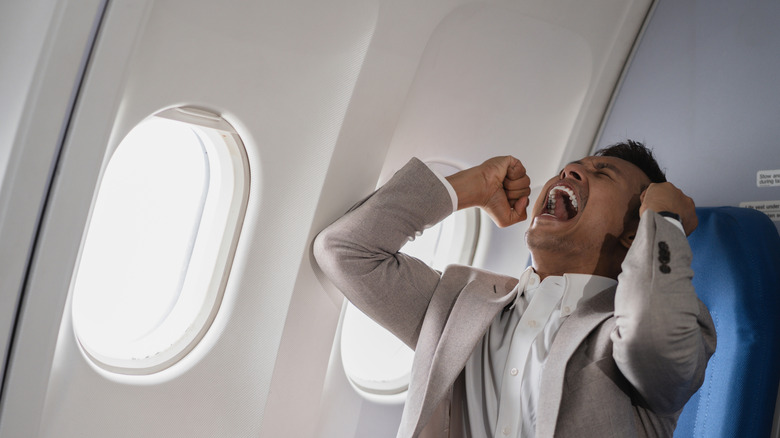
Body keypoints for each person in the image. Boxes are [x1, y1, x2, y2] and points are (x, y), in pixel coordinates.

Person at [313, 140, 716, 438]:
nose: (570, 172)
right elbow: (346, 251)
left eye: (602, 173)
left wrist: (663, 220)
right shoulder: (461, 304)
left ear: (633, 233)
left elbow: (657, 337)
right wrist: (465, 189)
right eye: (571, 167)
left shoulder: (633, 328)